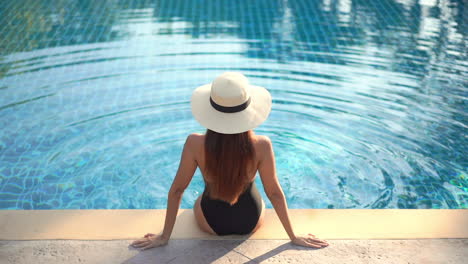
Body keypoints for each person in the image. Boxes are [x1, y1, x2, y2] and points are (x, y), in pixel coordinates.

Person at [131, 72, 329, 250]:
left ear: (211, 109)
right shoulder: (262, 145)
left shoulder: (194, 143)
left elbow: (176, 191)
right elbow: (275, 193)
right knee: (256, 190)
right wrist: (293, 236)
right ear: (248, 108)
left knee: (200, 198)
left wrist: (164, 236)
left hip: (211, 223)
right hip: (249, 222)